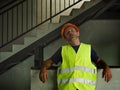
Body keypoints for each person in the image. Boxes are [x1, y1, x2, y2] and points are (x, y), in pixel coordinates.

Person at [39, 23, 112, 90]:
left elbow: (98, 61)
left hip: (86, 88)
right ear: (66, 38)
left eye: (72, 30)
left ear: (78, 33)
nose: (70, 32)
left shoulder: (88, 48)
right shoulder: (62, 50)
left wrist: (106, 67)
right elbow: (49, 61)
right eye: (67, 33)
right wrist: (43, 68)